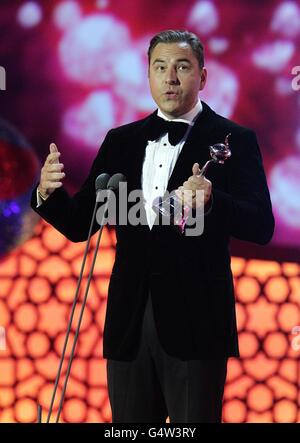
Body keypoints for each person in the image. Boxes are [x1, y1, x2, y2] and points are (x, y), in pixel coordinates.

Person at [31, 30, 274, 423]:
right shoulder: (120, 141)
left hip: (197, 326)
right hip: (129, 326)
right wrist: (47, 193)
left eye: (181, 67)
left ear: (203, 76)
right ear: (148, 75)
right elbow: (81, 224)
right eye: (160, 67)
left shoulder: (235, 140)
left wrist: (214, 199)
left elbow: (262, 226)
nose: (170, 78)